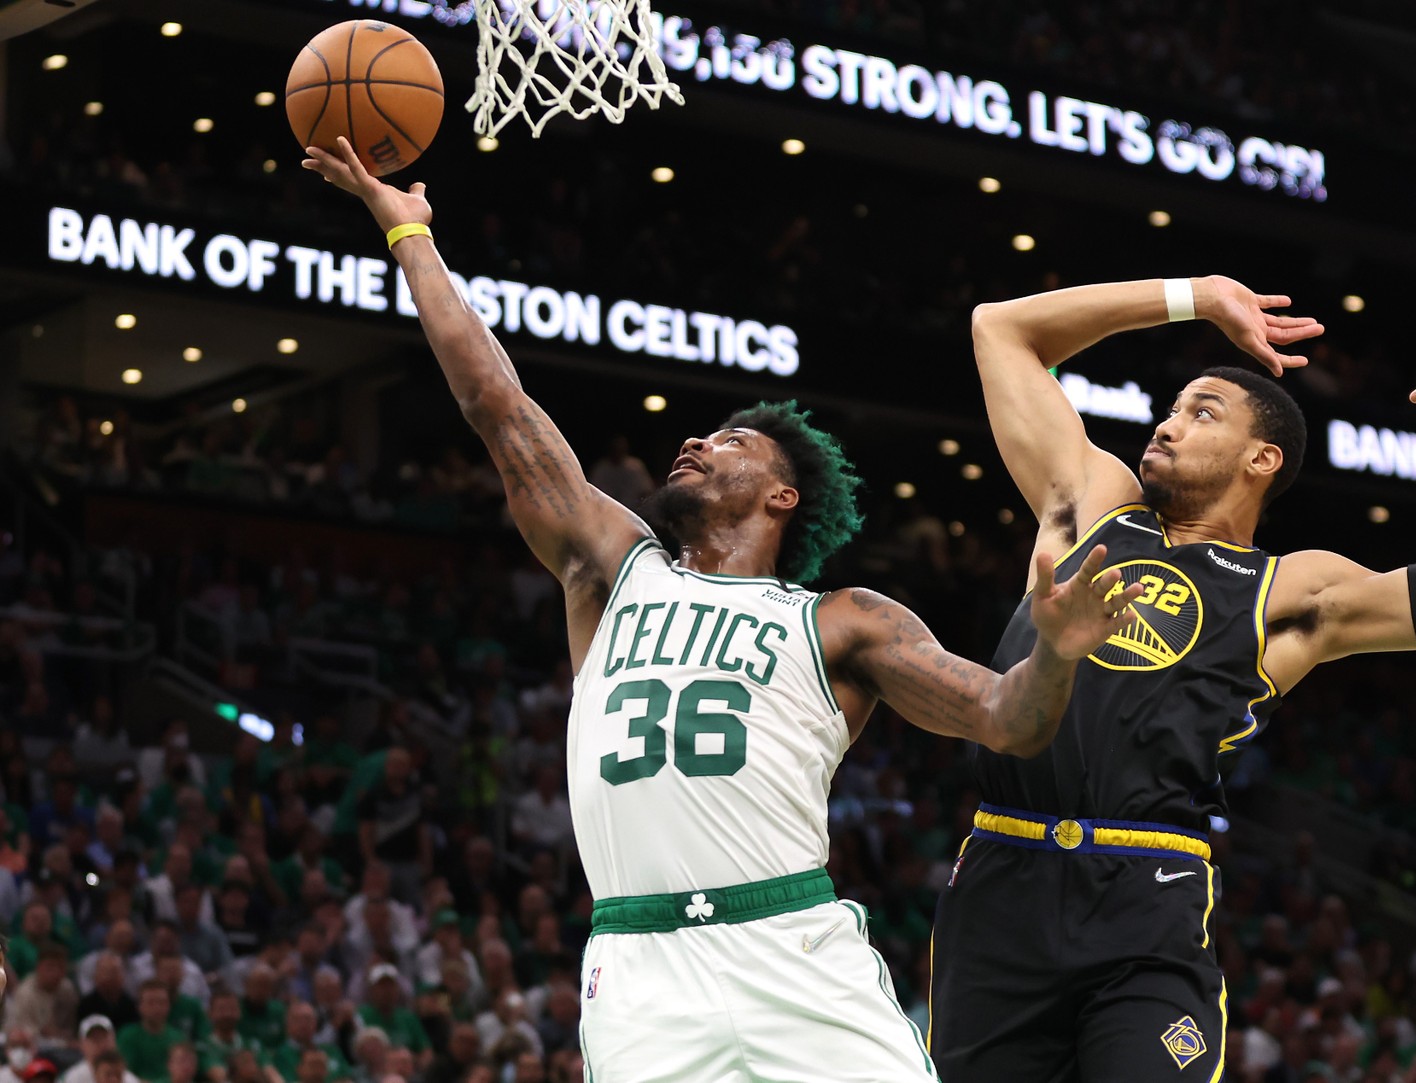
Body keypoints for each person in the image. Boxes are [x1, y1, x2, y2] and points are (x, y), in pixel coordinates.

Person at [303, 137, 1144, 1083]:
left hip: (792, 948)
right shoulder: (610, 566)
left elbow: (1009, 719)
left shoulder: (843, 621)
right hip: (640, 967)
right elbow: (497, 403)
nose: (696, 438)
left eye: (732, 440)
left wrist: (1063, 652)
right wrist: (408, 229)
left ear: (783, 498)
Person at [928, 275, 1416, 1082]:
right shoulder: (1092, 500)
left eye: (1202, 413)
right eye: (1171, 407)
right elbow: (1000, 325)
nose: (1167, 423)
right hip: (1001, 879)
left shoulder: (1294, 590)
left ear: (1260, 459)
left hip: (1146, 897)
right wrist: (1194, 297)